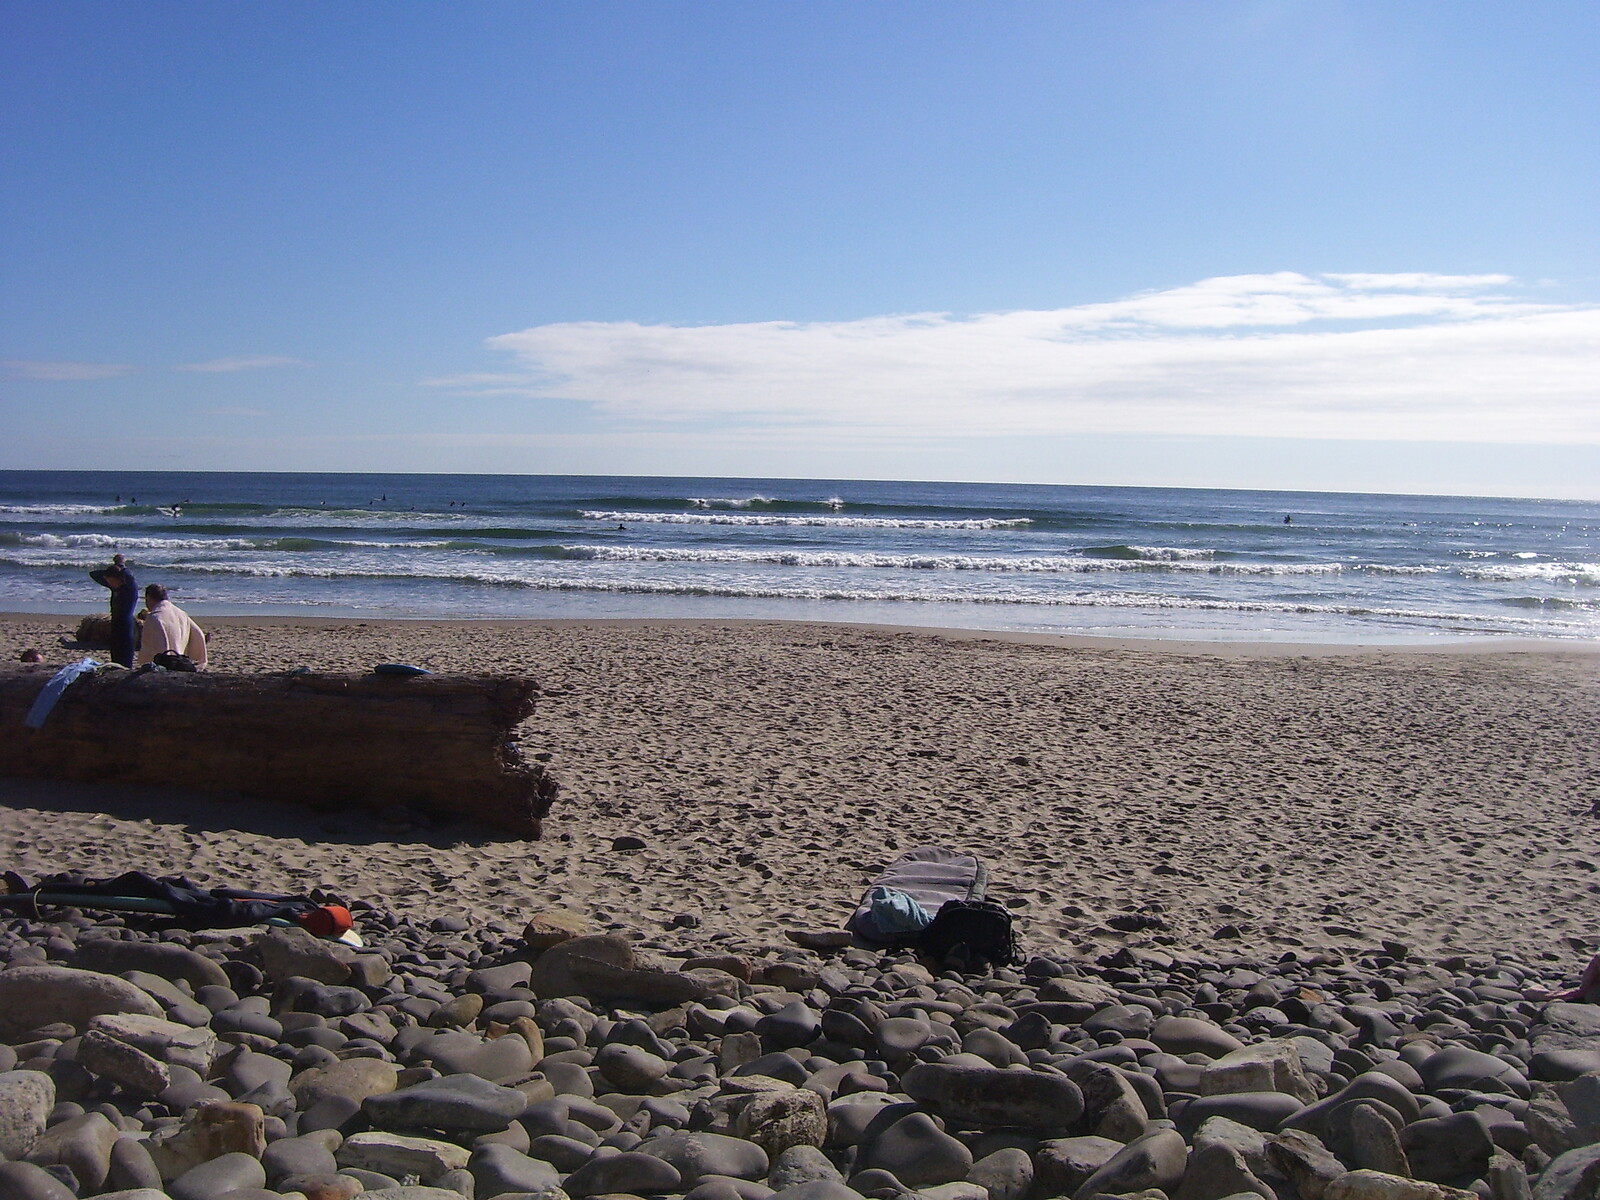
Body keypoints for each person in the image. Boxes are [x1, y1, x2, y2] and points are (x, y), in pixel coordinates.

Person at [137, 584, 208, 668]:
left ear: (148, 598)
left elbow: (157, 646)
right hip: (179, 660)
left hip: (164, 664)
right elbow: (198, 634)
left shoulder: (155, 617)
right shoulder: (181, 613)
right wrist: (201, 660)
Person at [89, 554, 138, 668]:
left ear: (117, 578)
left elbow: (128, 574)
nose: (108, 583)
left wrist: (121, 565)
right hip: (116, 622)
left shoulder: (129, 587)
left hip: (126, 625)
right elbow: (94, 574)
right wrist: (114, 567)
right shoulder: (115, 588)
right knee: (115, 655)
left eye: (110, 580)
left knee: (125, 657)